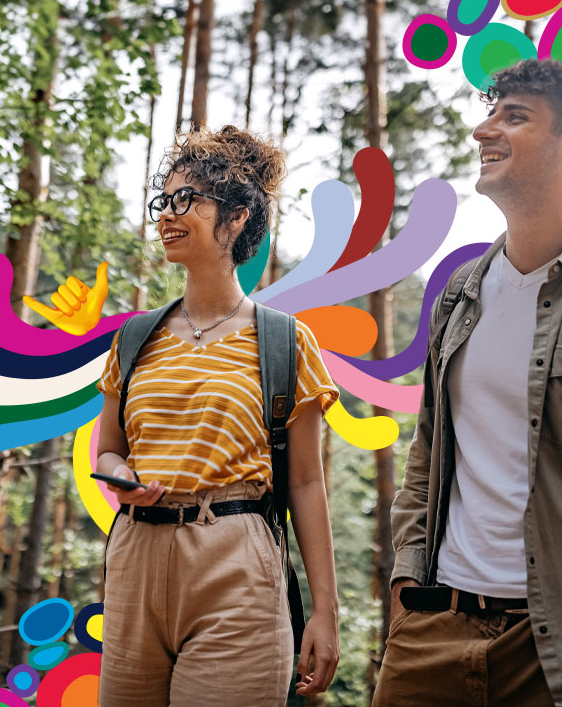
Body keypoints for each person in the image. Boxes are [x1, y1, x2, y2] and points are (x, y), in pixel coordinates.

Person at [93, 126, 340, 707]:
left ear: (235, 218)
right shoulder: (132, 337)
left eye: (187, 200)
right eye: (163, 201)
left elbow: (305, 481)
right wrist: (119, 477)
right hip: (134, 562)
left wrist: (324, 613)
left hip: (237, 561)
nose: (167, 216)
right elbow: (109, 450)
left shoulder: (284, 341)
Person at [373, 58, 562, 707]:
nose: (484, 130)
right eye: (489, 113)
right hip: (434, 629)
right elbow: (428, 451)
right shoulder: (461, 293)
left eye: (515, 116)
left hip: (549, 647)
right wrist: (407, 583)